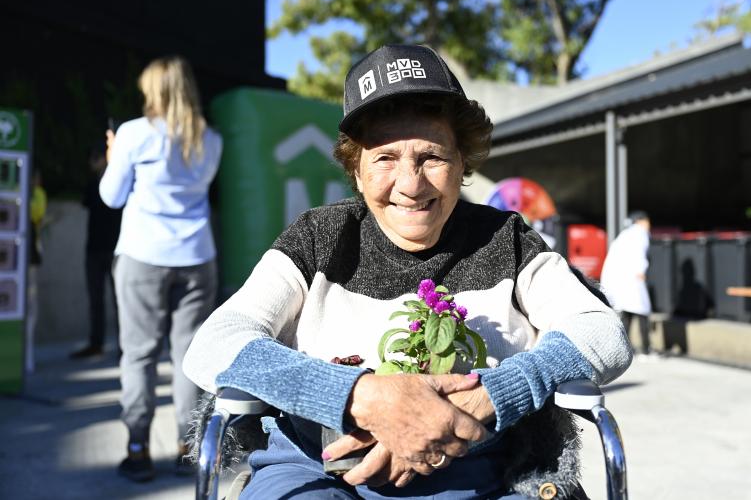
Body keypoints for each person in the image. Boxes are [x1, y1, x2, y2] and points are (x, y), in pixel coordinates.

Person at [183, 44, 631, 499]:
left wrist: (488, 397)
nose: (411, 185)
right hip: (316, 468)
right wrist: (364, 398)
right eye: (385, 158)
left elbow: (601, 331)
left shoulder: (507, 239)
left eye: (432, 157)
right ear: (356, 171)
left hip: (480, 472)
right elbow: (215, 343)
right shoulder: (319, 237)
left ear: (461, 165)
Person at [100, 56, 222, 482]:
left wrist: (114, 154)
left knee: (139, 355)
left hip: (143, 256)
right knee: (188, 355)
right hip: (197, 257)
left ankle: (138, 451)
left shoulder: (134, 134)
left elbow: (111, 197)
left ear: (154, 91)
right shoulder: (211, 139)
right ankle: (187, 448)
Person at [71, 145, 122, 359]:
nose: (93, 162)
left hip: (115, 250)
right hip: (94, 249)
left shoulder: (120, 183)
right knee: (96, 300)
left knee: (121, 301)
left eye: (97, 157)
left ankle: (124, 346)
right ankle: (96, 343)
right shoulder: (92, 185)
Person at [600, 211, 654, 360]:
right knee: (642, 312)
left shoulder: (624, 235)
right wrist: (641, 270)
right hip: (633, 279)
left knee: (627, 314)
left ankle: (624, 349)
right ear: (643, 221)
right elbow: (640, 254)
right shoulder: (640, 233)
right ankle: (645, 349)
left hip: (620, 280)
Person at [25, 169, 46, 374]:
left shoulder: (38, 194)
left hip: (31, 256)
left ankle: (27, 356)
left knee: (31, 309)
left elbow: (35, 214)